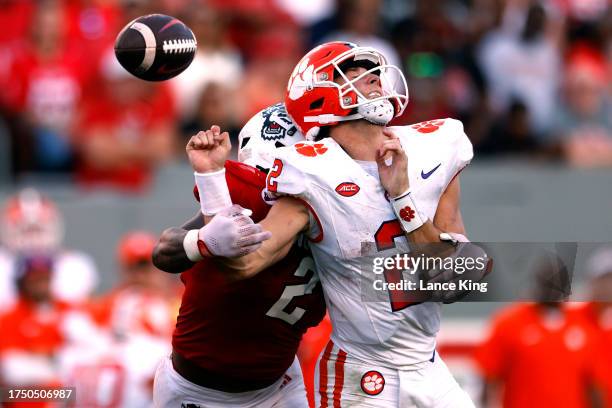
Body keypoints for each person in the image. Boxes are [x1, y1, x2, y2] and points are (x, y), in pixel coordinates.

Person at [187, 41, 488, 407]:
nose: (374, 80)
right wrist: (211, 181)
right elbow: (242, 265)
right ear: (315, 97)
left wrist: (404, 199)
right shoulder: (309, 174)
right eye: (355, 74)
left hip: (429, 367)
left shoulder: (435, 147)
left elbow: (457, 280)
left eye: (374, 72)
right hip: (361, 374)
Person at [152, 122, 325, 407]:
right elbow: (164, 253)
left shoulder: (355, 202)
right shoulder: (253, 203)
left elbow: (415, 288)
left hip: (291, 380)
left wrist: (406, 202)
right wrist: (203, 240)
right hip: (203, 390)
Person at [474, 254, 602, 408]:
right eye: (547, 283)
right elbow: (488, 377)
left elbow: (593, 384)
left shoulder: (582, 324)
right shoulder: (510, 323)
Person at [0, 188, 98, 313]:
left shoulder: (76, 266)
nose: (33, 238)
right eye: (25, 230)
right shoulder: (3, 265)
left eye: (38, 229)